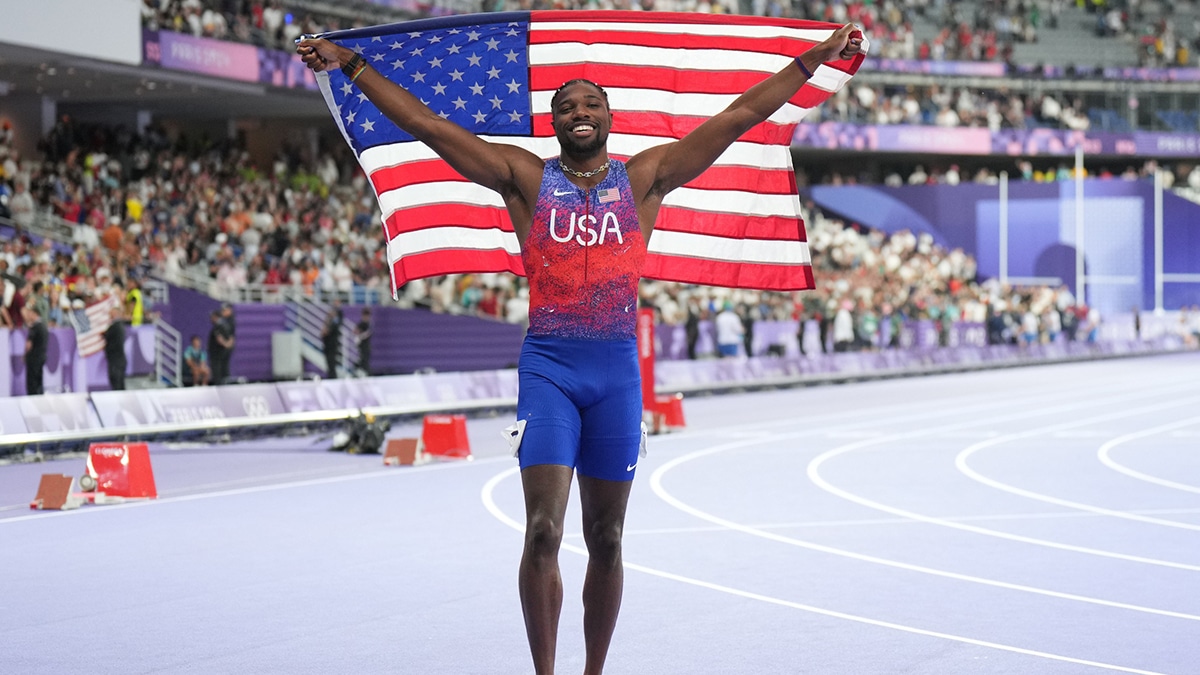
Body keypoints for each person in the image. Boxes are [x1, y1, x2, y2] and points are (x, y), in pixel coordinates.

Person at [300, 24, 863, 675]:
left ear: (608, 117)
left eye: (590, 104)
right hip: (550, 370)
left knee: (609, 537)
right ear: (554, 122)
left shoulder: (647, 176)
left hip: (616, 376)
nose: (580, 113)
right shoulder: (523, 178)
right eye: (567, 107)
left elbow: (740, 115)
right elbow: (427, 125)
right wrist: (353, 65)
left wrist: (815, 58)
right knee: (543, 529)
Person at [23, 305, 48, 396]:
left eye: (30, 314)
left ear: (35, 314)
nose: (29, 316)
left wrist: (25, 354)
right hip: (42, 356)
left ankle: (32, 397)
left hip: (34, 357)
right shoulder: (44, 326)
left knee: (32, 381)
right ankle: (39, 397)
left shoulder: (35, 327)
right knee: (39, 379)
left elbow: (29, 344)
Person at [103, 305, 127, 391]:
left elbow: (111, 339)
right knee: (119, 383)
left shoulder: (116, 326)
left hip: (116, 360)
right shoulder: (119, 326)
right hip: (118, 360)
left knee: (117, 383)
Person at [321, 299, 343, 379]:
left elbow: (328, 331)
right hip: (327, 345)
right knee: (329, 362)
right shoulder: (329, 321)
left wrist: (325, 332)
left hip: (332, 345)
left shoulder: (335, 323)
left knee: (332, 361)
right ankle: (331, 375)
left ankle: (333, 376)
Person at [354, 307, 373, 376]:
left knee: (365, 360)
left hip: (366, 345)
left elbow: (368, 333)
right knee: (362, 359)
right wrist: (359, 336)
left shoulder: (369, 324)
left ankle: (367, 373)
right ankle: (359, 371)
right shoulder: (361, 324)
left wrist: (360, 336)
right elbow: (355, 331)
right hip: (362, 345)